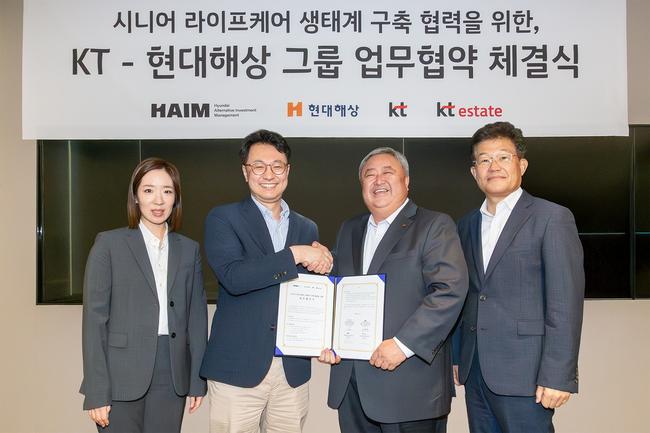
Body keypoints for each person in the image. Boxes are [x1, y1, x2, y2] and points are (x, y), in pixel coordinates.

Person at [322, 147, 468, 433]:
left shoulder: (434, 225)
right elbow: (337, 291)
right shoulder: (349, 229)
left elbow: (449, 290)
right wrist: (326, 337)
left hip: (409, 388)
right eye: (369, 175)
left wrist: (403, 345)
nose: (378, 180)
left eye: (388, 172)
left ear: (407, 181)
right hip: (352, 385)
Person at [452, 121, 584, 433]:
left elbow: (564, 302)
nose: (493, 166)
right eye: (484, 159)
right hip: (476, 371)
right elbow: (465, 294)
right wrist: (457, 355)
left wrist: (558, 375)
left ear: (521, 165)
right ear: (474, 172)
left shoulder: (552, 218)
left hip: (527, 373)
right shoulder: (466, 225)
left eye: (503, 157)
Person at [200, 129, 333, 433]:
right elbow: (234, 277)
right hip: (237, 369)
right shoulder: (223, 218)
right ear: (245, 171)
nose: (269, 174)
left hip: (291, 370)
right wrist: (295, 254)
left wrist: (326, 262)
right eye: (258, 166)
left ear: (288, 170)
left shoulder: (307, 227)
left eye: (277, 166)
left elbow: (311, 293)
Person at [80, 157, 208, 432]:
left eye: (167, 191)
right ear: (136, 196)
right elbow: (94, 322)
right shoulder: (109, 244)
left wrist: (198, 378)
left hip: (171, 373)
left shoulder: (189, 250)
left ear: (175, 198)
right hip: (120, 374)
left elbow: (197, 319)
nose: (158, 200)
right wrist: (96, 390)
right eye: (149, 190)